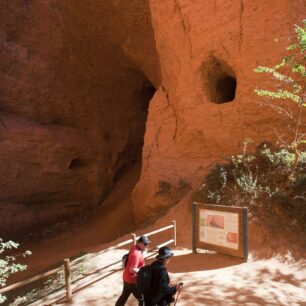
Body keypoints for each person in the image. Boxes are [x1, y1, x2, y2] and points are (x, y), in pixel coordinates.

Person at [115, 235, 151, 306]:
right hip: (132, 280)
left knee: (124, 296)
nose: (147, 245)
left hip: (126, 277)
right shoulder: (137, 254)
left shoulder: (134, 247)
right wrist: (144, 274)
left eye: (148, 244)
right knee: (142, 299)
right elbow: (133, 269)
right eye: (145, 244)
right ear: (139, 243)